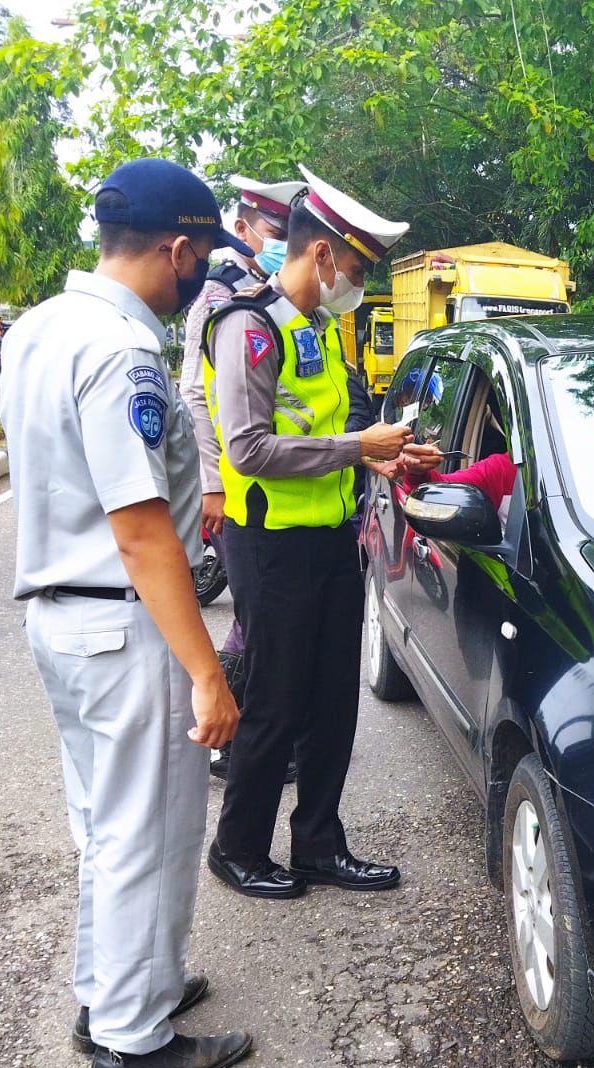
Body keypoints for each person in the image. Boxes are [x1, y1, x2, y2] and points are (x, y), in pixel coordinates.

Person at [0, 158, 253, 1068]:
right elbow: (143, 530)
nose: (203, 277)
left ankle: (111, 993)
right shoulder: (122, 351)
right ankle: (133, 1040)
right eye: (202, 259)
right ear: (177, 249)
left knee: (109, 829)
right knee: (148, 831)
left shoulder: (41, 327)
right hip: (123, 618)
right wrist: (207, 671)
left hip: (66, 623)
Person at [203, 164, 411, 900]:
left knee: (332, 703)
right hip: (269, 546)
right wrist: (361, 449)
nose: (354, 282)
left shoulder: (319, 328)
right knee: (275, 701)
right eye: (353, 267)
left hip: (330, 537)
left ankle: (319, 842)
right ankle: (239, 847)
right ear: (321, 255)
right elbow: (250, 448)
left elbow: (341, 426)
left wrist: (384, 454)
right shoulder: (246, 327)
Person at [180, 174, 305, 782]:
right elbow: (195, 393)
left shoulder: (266, 290)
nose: (283, 243)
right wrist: (213, 483)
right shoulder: (219, 291)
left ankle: (247, 732)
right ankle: (231, 740)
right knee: (252, 621)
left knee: (252, 620)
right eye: (277, 232)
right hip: (238, 479)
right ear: (249, 224)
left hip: (273, 483)